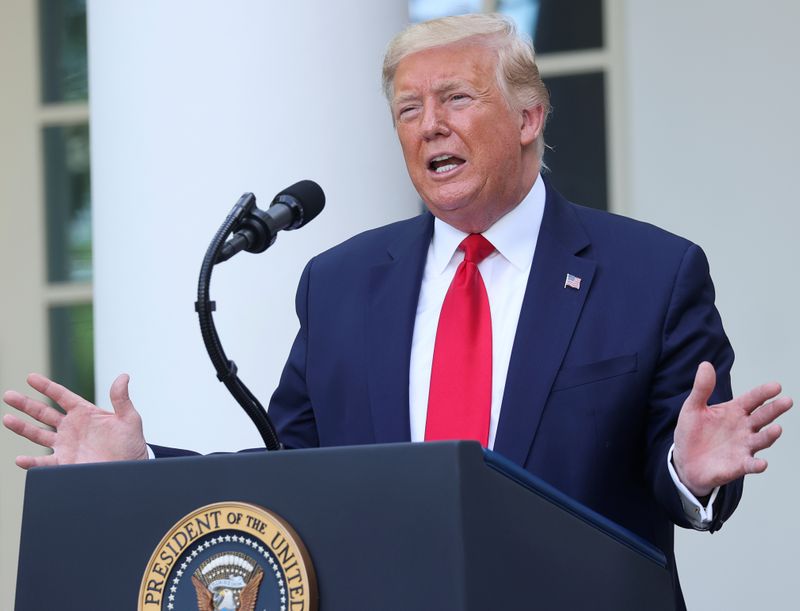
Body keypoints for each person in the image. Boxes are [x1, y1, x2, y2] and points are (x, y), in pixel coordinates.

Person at [2, 13, 792, 607]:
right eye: (408, 109)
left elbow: (680, 466)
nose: (429, 125)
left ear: (528, 118)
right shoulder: (341, 283)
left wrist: (685, 472)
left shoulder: (651, 272)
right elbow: (292, 473)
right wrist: (137, 472)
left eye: (454, 98)